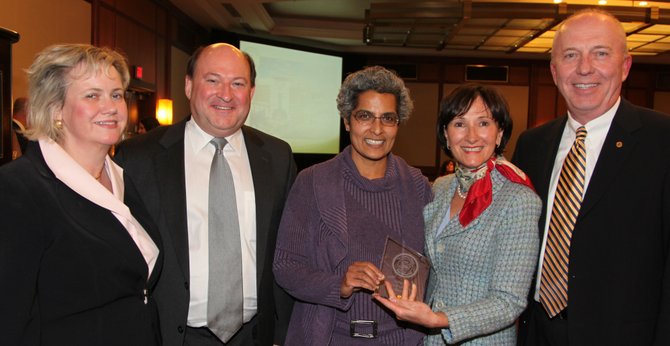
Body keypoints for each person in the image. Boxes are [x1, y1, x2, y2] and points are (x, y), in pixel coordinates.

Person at [114, 43, 296, 346]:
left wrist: (281, 334)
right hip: (171, 336)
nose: (226, 94)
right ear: (188, 85)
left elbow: (287, 249)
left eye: (238, 83)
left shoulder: (277, 157)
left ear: (251, 92)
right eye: (212, 80)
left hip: (253, 336)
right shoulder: (139, 158)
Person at [512, 9, 670, 346]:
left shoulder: (663, 140)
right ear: (555, 71)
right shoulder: (532, 144)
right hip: (536, 331)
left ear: (625, 66)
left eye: (600, 53)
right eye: (571, 55)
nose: (584, 68)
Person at [0, 44, 161, 345]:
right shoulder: (17, 190)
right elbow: (8, 320)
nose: (111, 106)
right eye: (92, 95)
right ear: (55, 109)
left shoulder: (121, 177)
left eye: (116, 94)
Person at [273, 66, 433, 345]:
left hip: (402, 340)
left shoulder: (418, 186)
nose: (377, 129)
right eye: (364, 116)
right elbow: (285, 266)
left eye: (388, 118)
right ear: (347, 121)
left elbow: (437, 268)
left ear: (398, 124)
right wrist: (340, 285)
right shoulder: (312, 182)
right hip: (329, 338)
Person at [374, 83, 541, 345]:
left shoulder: (518, 200)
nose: (471, 136)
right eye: (460, 124)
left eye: (484, 123)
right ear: (446, 134)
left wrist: (439, 319)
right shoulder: (440, 187)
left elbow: (509, 301)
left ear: (499, 134)